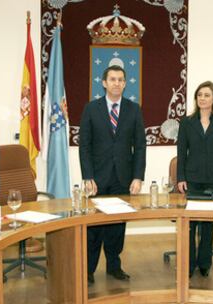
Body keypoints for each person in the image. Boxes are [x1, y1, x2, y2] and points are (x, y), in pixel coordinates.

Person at [79, 65, 146, 284]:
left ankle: (114, 267)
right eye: (112, 79)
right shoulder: (91, 108)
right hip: (97, 179)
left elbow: (140, 146)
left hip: (123, 178)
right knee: (95, 227)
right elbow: (85, 146)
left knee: (117, 225)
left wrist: (138, 177)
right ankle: (88, 270)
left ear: (125, 83)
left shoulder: (133, 109)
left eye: (121, 79)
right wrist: (88, 176)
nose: (117, 83)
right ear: (104, 83)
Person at [176, 81, 213, 278]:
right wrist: (181, 177)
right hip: (191, 179)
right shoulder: (187, 122)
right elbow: (181, 153)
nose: (202, 98)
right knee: (190, 224)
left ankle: (205, 263)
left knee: (208, 224)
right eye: (199, 94)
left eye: (207, 95)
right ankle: (188, 263)